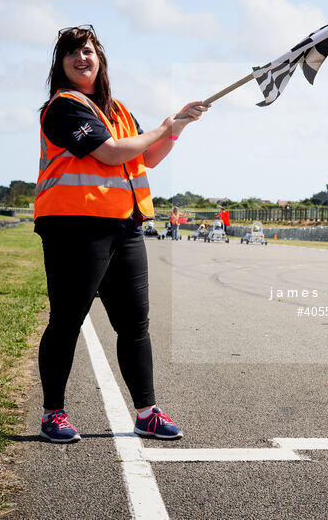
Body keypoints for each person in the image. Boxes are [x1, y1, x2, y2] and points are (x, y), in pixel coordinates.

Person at [33, 24, 209, 443]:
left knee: (135, 326)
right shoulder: (63, 107)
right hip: (76, 231)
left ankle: (146, 412)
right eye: (72, 53)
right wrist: (164, 127)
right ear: (61, 65)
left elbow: (147, 156)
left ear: (100, 59)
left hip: (125, 229)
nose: (82, 59)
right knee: (66, 323)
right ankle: (52, 414)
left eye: (89, 51)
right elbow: (110, 152)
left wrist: (178, 127)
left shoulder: (117, 110)